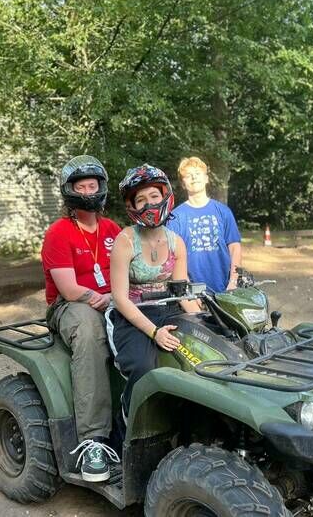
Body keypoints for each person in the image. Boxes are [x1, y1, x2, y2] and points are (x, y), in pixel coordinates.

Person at [40, 155, 121, 482]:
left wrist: (116, 298)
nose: (87, 192)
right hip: (69, 306)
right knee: (89, 330)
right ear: (69, 191)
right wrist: (103, 299)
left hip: (113, 298)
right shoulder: (59, 232)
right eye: (81, 187)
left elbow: (130, 273)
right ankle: (94, 440)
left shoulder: (112, 229)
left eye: (92, 185)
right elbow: (70, 289)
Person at [107, 164, 200, 430]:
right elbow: (120, 298)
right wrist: (154, 332)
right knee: (143, 366)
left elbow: (181, 292)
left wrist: (202, 319)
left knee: (196, 356)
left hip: (167, 309)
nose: (149, 203)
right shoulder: (125, 240)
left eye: (154, 196)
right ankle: (128, 426)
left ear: (165, 196)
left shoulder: (176, 242)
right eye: (141, 199)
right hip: (130, 315)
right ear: (132, 206)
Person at [167, 156, 242, 293]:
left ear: (206, 178)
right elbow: (172, 258)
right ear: (183, 184)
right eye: (188, 175)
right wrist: (187, 291)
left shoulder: (223, 211)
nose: (194, 177)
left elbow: (234, 248)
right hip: (191, 293)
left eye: (197, 173)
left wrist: (233, 282)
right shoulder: (175, 218)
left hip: (225, 289)